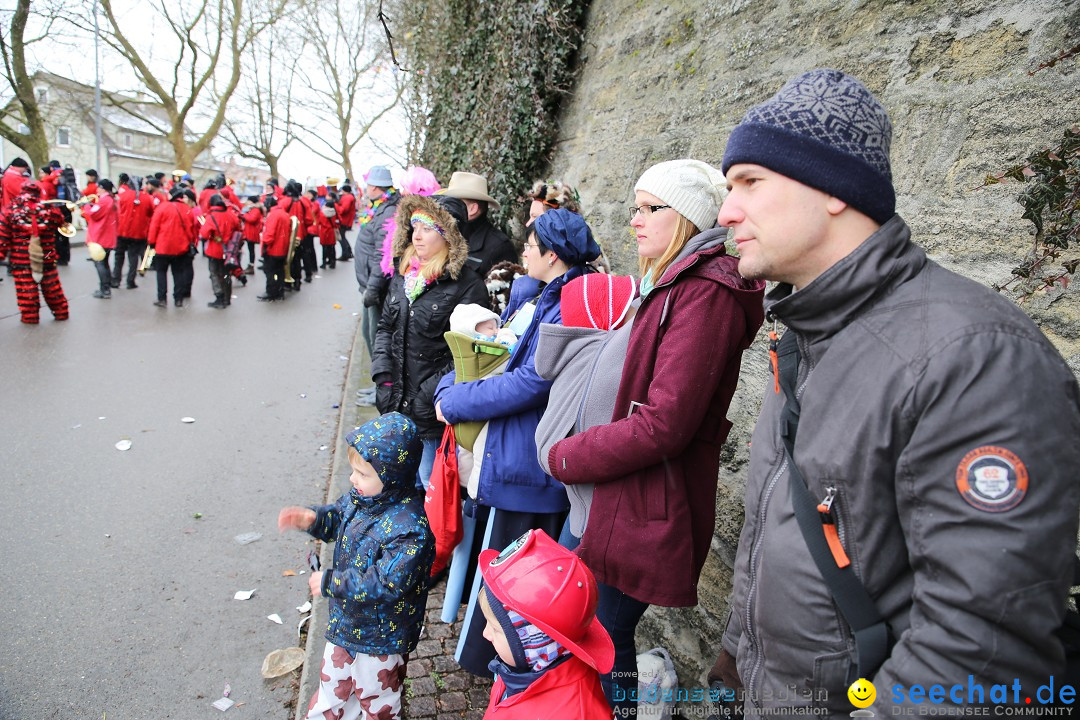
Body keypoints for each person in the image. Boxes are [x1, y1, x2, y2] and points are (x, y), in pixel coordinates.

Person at [711, 68, 1080, 713]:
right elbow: (780, 539)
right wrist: (736, 660)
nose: (726, 211)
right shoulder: (804, 338)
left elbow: (979, 650)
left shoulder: (975, 356)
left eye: (750, 182)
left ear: (832, 189)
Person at [545, 160, 766, 716]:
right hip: (626, 496)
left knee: (605, 632)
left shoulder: (707, 294)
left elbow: (664, 423)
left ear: (688, 218)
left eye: (650, 209)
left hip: (648, 501)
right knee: (595, 630)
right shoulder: (670, 283)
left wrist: (569, 455)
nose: (635, 221)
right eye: (635, 208)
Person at [433, 208, 602, 677]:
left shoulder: (568, 303)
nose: (522, 252)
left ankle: (503, 660)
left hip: (530, 458)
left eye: (530, 246)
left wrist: (459, 400)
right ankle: (492, 655)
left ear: (552, 254)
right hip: (519, 448)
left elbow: (530, 381)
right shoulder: (549, 295)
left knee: (515, 567)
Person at [278, 412, 435, 720]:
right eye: (353, 471)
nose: (353, 479)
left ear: (392, 475)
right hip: (346, 624)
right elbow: (338, 516)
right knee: (333, 687)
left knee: (378, 702)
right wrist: (315, 519)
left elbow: (387, 582)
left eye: (362, 474)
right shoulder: (362, 497)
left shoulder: (411, 529)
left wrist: (331, 583)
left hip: (382, 639)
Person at [371, 193, 490, 488]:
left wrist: (427, 395)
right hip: (394, 401)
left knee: (429, 484)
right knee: (396, 479)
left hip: (430, 413)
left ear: (447, 235)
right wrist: (383, 377)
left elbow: (465, 353)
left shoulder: (468, 285)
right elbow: (386, 327)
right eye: (414, 227)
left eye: (427, 229)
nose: (417, 236)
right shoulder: (403, 275)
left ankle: (430, 537)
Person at [533, 273, 637, 548]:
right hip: (603, 520)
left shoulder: (572, 361)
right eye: (632, 307)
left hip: (581, 512)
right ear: (611, 316)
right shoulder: (604, 369)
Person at [477, 529, 614, 719]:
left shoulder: (574, 714)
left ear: (536, 643)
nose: (485, 634)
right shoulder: (525, 668)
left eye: (495, 628)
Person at [0, 179, 69, 323]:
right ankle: (61, 312)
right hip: (47, 256)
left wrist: (1, 253)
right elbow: (61, 221)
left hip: (21, 259)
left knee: (27, 292)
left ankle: (30, 318)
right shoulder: (49, 210)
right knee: (52, 289)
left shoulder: (10, 210)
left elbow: (3, 237)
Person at [356, 166, 400, 360]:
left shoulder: (387, 211)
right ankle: (377, 386)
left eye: (368, 185)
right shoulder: (379, 207)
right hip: (370, 285)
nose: (366, 188)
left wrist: (372, 288)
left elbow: (382, 254)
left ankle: (380, 388)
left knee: (376, 337)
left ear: (374, 187)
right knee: (368, 333)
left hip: (376, 288)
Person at [442, 171, 518, 278]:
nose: (447, 208)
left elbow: (502, 291)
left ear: (472, 209)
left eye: (455, 203)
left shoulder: (499, 247)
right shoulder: (445, 237)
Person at [147, 187, 197, 308]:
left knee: (161, 273)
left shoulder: (162, 207)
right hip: (180, 248)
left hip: (163, 246)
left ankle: (162, 298)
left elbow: (154, 226)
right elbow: (192, 230)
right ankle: (178, 299)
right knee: (178, 273)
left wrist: (151, 242)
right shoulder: (187, 210)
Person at [198, 194, 241, 309]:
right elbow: (239, 228)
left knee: (215, 274)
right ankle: (227, 298)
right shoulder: (231, 214)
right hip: (229, 250)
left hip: (215, 249)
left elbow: (204, 234)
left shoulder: (211, 216)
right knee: (227, 274)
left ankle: (219, 297)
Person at [113, 174, 154, 289]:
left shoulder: (123, 195)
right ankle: (130, 281)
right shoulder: (146, 197)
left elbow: (118, 210)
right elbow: (151, 212)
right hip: (138, 232)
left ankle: (116, 280)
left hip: (122, 230)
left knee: (119, 256)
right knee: (133, 257)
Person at [83, 178, 119, 299]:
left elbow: (94, 214)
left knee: (100, 263)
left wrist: (86, 206)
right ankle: (106, 287)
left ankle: (105, 289)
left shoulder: (105, 200)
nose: (97, 189)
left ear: (103, 188)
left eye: (99, 187)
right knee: (104, 263)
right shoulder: (110, 200)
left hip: (101, 237)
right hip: (107, 237)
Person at [257, 196, 290, 302]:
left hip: (273, 248)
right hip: (283, 248)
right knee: (279, 270)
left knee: (269, 271)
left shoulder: (273, 215)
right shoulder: (284, 214)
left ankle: (271, 292)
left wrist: (265, 244)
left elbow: (270, 233)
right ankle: (280, 291)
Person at [240, 195, 264, 274]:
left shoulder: (255, 209)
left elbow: (252, 219)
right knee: (250, 249)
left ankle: (251, 266)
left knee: (251, 250)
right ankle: (250, 265)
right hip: (249, 232)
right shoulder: (253, 209)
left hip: (252, 233)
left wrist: (244, 215)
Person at [335, 183, 356, 261]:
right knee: (342, 236)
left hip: (344, 220)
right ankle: (348, 252)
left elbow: (344, 209)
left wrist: (336, 206)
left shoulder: (347, 198)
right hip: (347, 219)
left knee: (341, 237)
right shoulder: (350, 197)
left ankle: (346, 253)